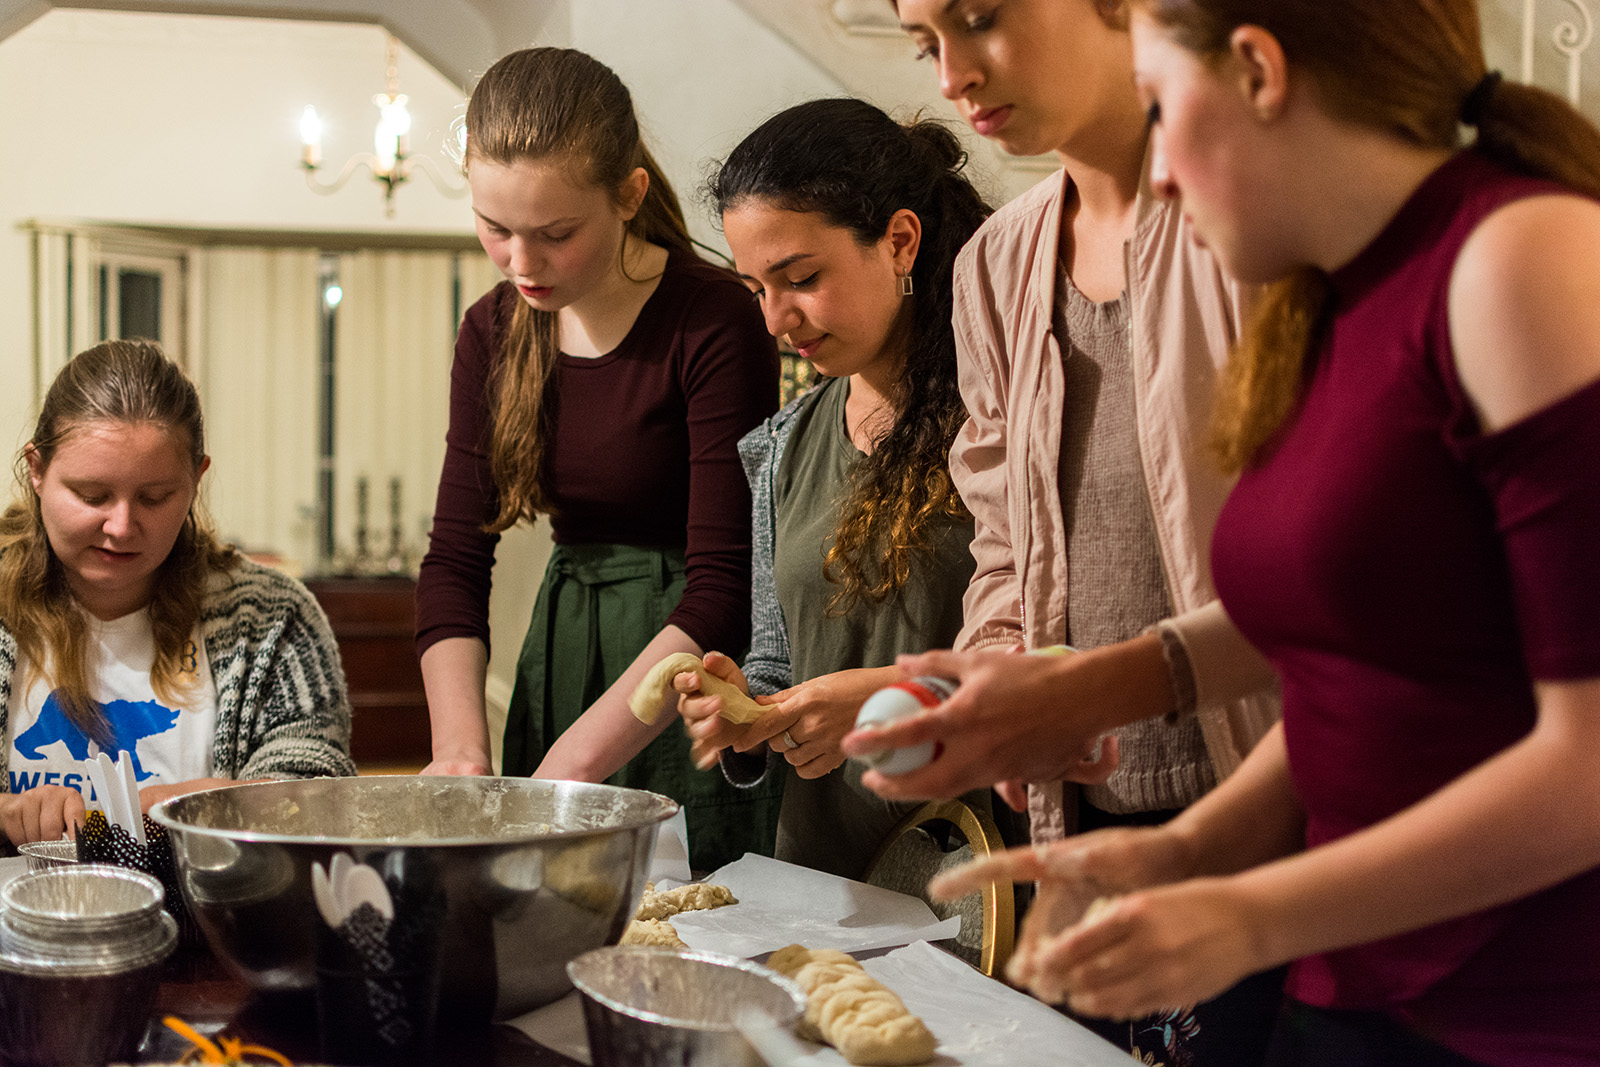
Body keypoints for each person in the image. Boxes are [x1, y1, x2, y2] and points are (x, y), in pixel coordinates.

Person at [930, 3, 1600, 1064]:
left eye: (1159, 105)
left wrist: (1252, 915)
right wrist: (1189, 848)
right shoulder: (1329, 291)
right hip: (1352, 988)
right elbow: (1361, 666)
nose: (1155, 177)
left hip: (1514, 1015)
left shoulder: (1522, 255)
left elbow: (1586, 756)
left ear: (1258, 69)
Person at [841, 2, 1281, 1061]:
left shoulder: (1254, 220)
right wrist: (997, 676)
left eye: (980, 17)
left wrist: (1100, 688)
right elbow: (1004, 538)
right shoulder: (997, 262)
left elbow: (1331, 575)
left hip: (1270, 786)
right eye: (924, 42)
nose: (952, 73)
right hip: (1080, 812)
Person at [414, 47, 782, 872]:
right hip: (565, 654)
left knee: (683, 908)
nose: (521, 263)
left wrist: (571, 765)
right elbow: (454, 561)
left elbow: (724, 587)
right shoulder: (491, 330)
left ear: (629, 194)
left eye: (556, 234)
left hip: (680, 671)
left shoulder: (712, 319)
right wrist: (460, 752)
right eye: (495, 228)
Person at [673, 98, 993, 881]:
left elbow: (1062, 653)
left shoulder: (1006, 410)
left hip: (980, 875)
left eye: (801, 278)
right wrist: (754, 712)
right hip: (828, 881)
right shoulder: (781, 443)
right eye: (756, 288)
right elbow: (781, 658)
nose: (776, 319)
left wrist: (897, 694)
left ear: (901, 241)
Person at [0, 340, 355, 847]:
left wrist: (209, 804)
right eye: (92, 496)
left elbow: (318, 790)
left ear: (196, 479)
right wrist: (6, 813)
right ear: (36, 470)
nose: (122, 527)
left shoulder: (271, 618)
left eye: (155, 497)